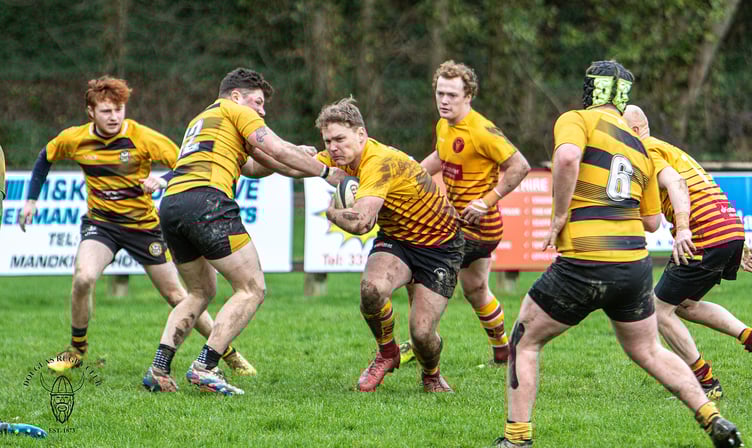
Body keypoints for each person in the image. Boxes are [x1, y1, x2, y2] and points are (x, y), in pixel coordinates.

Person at [494, 61, 742, 447]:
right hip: (633, 266)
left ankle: (516, 439)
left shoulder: (575, 119)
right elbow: (651, 221)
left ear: (590, 89)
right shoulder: (641, 145)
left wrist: (560, 215)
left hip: (585, 260)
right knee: (649, 349)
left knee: (525, 342)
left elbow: (565, 159)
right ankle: (712, 416)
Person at [18, 76, 255, 377]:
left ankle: (228, 353)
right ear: (91, 112)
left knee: (179, 296)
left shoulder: (142, 137)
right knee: (83, 278)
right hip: (102, 225)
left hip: (144, 227)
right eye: (106, 111)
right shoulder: (75, 139)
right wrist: (31, 201)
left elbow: (185, 161)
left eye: (119, 109)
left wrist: (162, 180)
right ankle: (76, 350)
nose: (114, 116)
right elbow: (45, 158)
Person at [141, 67, 342, 396]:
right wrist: (326, 172)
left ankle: (159, 369)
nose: (262, 111)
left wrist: (302, 159)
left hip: (173, 205)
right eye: (258, 102)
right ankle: (205, 366)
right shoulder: (235, 110)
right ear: (236, 96)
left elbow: (257, 165)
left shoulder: (204, 119)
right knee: (252, 288)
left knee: (200, 292)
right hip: (206, 201)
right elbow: (275, 148)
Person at [314, 97, 463, 393]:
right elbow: (292, 161)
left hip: (439, 245)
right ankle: (387, 353)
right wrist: (251, 155)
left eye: (339, 139)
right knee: (372, 290)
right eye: (328, 140)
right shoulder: (338, 156)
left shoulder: (378, 162)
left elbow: (362, 224)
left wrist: (331, 213)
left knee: (421, 335)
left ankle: (431, 374)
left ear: (361, 135)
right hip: (398, 239)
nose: (333, 147)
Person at [399, 60, 530, 367]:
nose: (444, 100)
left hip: (478, 227)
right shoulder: (444, 124)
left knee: (418, 269)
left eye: (452, 95)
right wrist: (413, 174)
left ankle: (420, 340)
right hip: (466, 224)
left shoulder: (482, 130)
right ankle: (503, 350)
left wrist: (487, 200)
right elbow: (441, 156)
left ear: (468, 96)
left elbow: (520, 166)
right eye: (440, 93)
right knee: (475, 289)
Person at [624, 104, 752, 400]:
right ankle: (747, 336)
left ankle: (705, 383)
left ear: (633, 131)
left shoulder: (645, 151)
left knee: (658, 310)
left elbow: (677, 183)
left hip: (703, 233)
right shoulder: (670, 149)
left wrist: (682, 228)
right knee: (686, 305)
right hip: (728, 228)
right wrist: (737, 241)